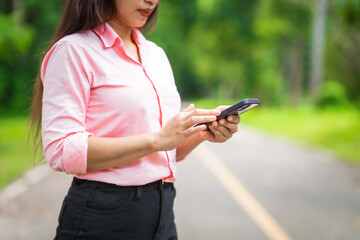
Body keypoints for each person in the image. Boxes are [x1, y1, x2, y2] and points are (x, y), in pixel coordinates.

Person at [30, 0, 240, 239]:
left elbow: (164, 149)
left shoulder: (156, 55)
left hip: (162, 214)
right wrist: (156, 140)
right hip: (103, 217)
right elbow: (61, 149)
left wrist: (203, 133)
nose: (151, 1)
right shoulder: (73, 51)